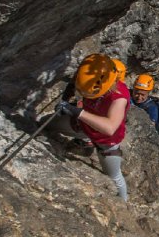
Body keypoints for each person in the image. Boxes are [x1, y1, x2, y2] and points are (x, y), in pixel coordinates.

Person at [55, 54, 130, 201]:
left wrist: (78, 112)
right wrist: (66, 99)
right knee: (47, 125)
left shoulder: (119, 96)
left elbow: (109, 128)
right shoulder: (92, 76)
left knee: (115, 177)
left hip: (106, 142)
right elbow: (77, 83)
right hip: (84, 126)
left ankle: (124, 202)